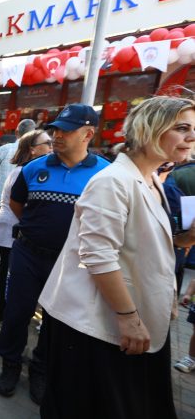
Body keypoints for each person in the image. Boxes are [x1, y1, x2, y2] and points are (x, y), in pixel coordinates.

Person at [38, 96, 195, 418]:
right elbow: (97, 256)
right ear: (149, 128)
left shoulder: (153, 180)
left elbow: (138, 245)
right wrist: (129, 318)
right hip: (97, 328)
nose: (191, 137)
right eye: (182, 128)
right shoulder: (113, 181)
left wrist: (187, 239)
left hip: (131, 323)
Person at [0, 104, 109, 404]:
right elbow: (16, 205)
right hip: (28, 255)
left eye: (65, 131)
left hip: (71, 262)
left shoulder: (105, 174)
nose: (56, 136)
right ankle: (10, 363)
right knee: (17, 312)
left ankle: (41, 369)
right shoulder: (35, 168)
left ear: (88, 134)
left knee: (55, 319)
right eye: (55, 129)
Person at [0, 130, 53, 322]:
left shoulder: (29, 169)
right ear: (32, 149)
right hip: (12, 227)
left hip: (12, 226)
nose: (51, 147)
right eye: (47, 143)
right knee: (8, 271)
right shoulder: (23, 171)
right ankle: (0, 309)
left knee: (7, 270)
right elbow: (18, 204)